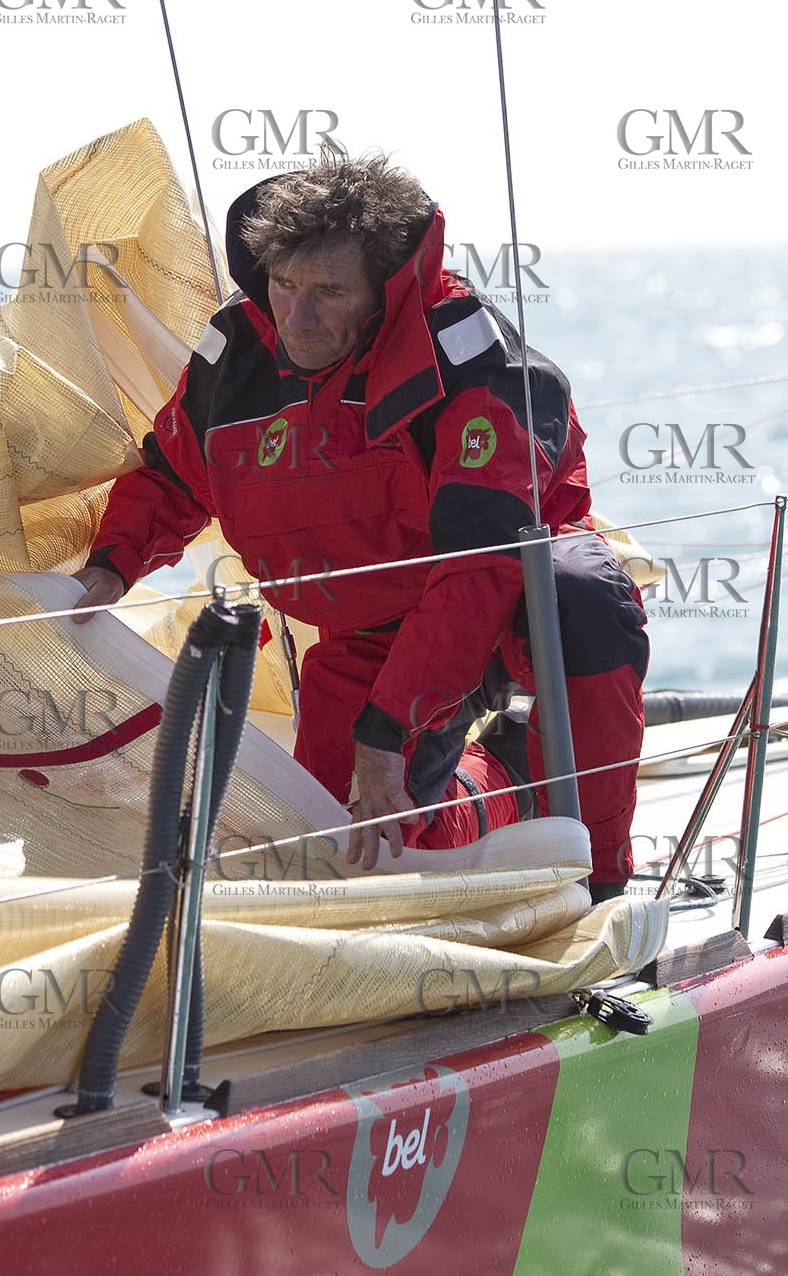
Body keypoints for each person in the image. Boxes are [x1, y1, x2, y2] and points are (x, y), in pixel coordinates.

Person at [73, 155, 648, 903]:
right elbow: (173, 475)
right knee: (354, 852)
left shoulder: (470, 362)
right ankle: (506, 780)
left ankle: (598, 885)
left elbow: (483, 564)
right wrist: (108, 569)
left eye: (328, 292)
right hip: (371, 630)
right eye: (283, 284)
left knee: (579, 593)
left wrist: (381, 737)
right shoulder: (237, 352)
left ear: (385, 292)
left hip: (508, 601)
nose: (297, 318)